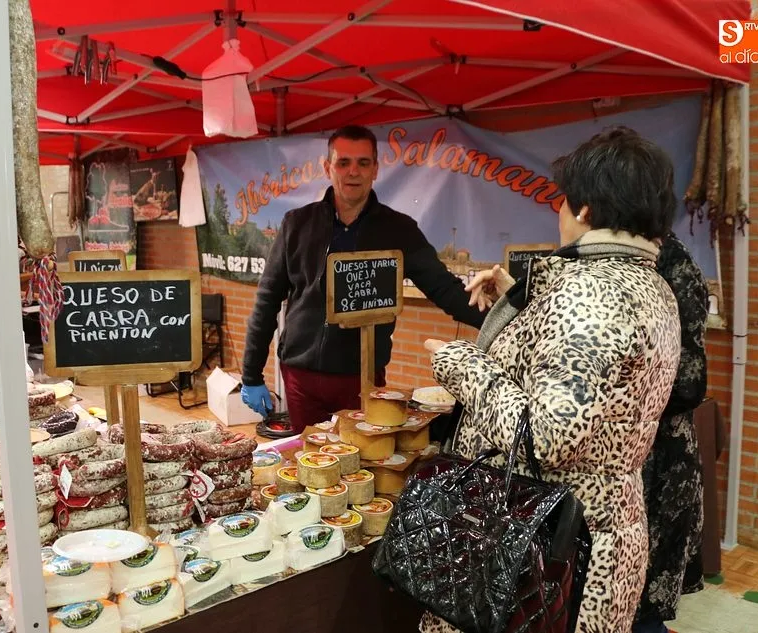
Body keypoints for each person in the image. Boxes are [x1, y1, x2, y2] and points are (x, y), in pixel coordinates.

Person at [422, 126, 682, 633]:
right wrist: (521, 300)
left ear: (584, 209)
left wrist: (461, 365)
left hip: (548, 546)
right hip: (593, 530)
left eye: (563, 201)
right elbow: (589, 380)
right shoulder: (648, 284)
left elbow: (544, 439)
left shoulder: (590, 294)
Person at [239, 124, 485, 432]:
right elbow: (267, 300)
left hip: (361, 379)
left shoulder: (399, 229)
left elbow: (444, 289)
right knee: (309, 456)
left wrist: (501, 318)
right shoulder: (296, 224)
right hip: (301, 377)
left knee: (362, 457)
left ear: (375, 169)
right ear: (328, 168)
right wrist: (251, 374)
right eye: (343, 162)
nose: (353, 171)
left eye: (363, 163)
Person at [632, 233, 708, 633]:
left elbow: (689, 384)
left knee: (641, 604)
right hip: (630, 456)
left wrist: (620, 403)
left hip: (658, 458)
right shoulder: (623, 259)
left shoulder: (673, 265)